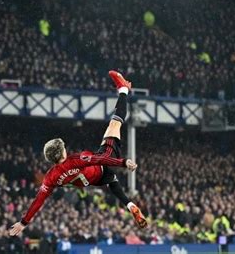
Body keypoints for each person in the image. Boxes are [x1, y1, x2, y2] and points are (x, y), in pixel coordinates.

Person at [10, 70, 147, 237]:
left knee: (112, 181)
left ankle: (130, 205)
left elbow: (38, 201)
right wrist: (123, 162)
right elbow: (101, 158)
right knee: (115, 124)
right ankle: (124, 90)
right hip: (101, 166)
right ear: (62, 151)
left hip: (94, 181)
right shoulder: (76, 159)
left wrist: (24, 222)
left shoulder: (51, 176)